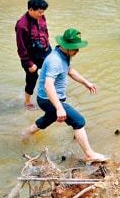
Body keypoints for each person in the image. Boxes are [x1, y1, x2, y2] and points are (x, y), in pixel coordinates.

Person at [23, 28, 109, 163]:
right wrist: (59, 107)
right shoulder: (55, 61)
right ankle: (89, 154)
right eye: (74, 48)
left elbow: (70, 70)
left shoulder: (64, 55)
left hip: (52, 98)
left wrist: (86, 83)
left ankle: (26, 134)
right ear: (65, 46)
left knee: (48, 119)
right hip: (47, 99)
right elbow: (48, 85)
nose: (77, 51)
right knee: (78, 121)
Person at [15, 0, 52, 110]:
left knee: (51, 73)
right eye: (39, 12)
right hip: (31, 56)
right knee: (32, 79)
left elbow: (45, 32)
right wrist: (29, 63)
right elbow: (21, 48)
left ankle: (49, 96)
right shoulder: (22, 25)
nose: (42, 14)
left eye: (43, 12)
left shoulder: (41, 16)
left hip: (46, 51)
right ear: (31, 9)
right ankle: (27, 102)